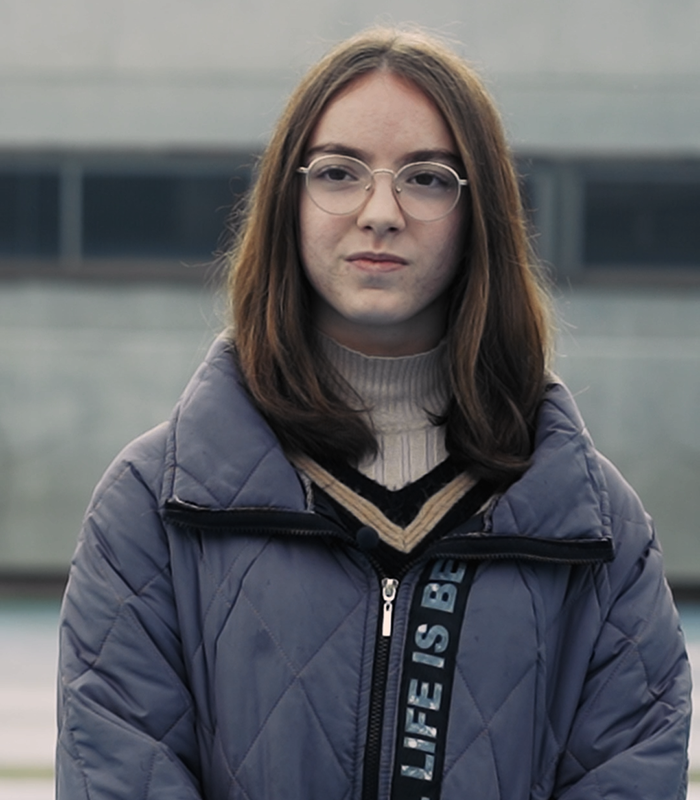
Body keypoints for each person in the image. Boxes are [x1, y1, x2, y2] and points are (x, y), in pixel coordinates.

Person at [56, 27, 691, 800]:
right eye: (338, 172)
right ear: (288, 202)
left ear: (477, 212)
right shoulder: (152, 508)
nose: (380, 211)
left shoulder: (596, 531)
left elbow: (628, 773)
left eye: (426, 178)